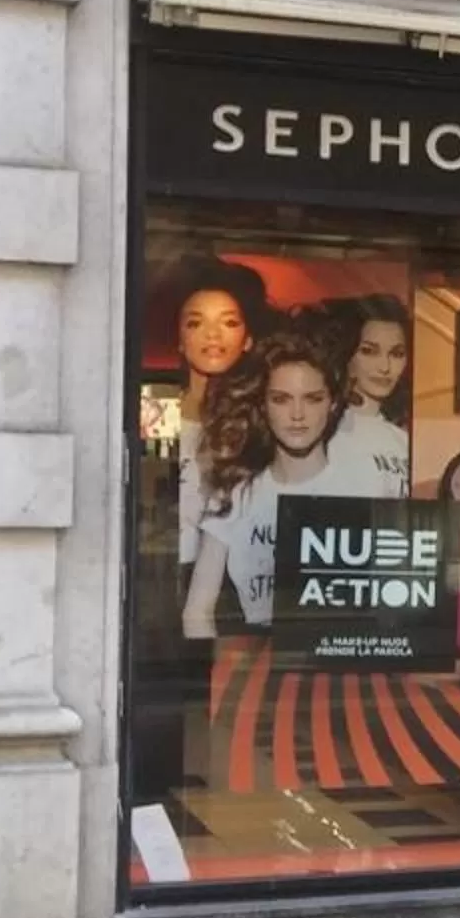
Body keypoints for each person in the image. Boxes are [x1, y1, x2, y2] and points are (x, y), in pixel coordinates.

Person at [183, 333, 343, 638]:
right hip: (258, 668)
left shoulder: (360, 486)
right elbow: (197, 611)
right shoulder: (237, 495)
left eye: (312, 398)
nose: (297, 415)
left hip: (339, 669)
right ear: (263, 406)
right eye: (281, 399)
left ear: (332, 404)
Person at [156, 254, 270, 569]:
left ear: (247, 338)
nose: (213, 334)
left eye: (229, 322)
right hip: (160, 568)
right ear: (179, 338)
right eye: (196, 322)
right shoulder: (158, 412)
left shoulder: (261, 420)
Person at [321, 294, 414, 496]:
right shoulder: (323, 431)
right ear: (347, 354)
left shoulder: (403, 440)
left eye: (397, 354)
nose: (385, 367)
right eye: (369, 351)